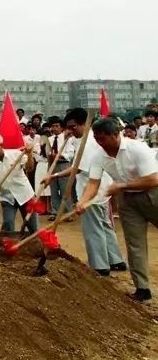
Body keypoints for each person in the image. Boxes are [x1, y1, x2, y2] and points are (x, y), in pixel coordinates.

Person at [77, 117, 158, 301]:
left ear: (115, 134)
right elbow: (93, 182)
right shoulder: (99, 155)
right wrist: (83, 201)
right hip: (128, 201)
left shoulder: (136, 148)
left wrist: (121, 185)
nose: (100, 143)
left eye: (103, 138)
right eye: (96, 138)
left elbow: (153, 179)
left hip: (153, 194)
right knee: (134, 243)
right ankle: (142, 288)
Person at [56, 109, 126, 276]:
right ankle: (116, 260)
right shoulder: (85, 140)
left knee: (93, 228)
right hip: (101, 190)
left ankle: (100, 265)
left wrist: (55, 175)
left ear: (84, 124)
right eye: (68, 128)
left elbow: (78, 169)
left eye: (73, 127)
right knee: (104, 225)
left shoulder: (89, 142)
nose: (71, 131)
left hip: (92, 191)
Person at [0, 135, 37, 236]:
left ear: (0, 146)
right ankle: (8, 245)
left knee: (32, 225)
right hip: (7, 197)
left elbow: (30, 168)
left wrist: (30, 154)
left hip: (25, 195)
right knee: (8, 224)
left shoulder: (16, 154)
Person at [46, 116, 73, 219]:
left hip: (64, 164)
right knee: (53, 189)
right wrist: (50, 155)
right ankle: (55, 212)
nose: (54, 128)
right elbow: (46, 152)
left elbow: (70, 153)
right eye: (52, 126)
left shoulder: (68, 138)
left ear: (61, 127)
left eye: (57, 126)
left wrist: (59, 156)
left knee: (65, 189)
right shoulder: (49, 139)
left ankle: (67, 213)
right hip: (52, 165)